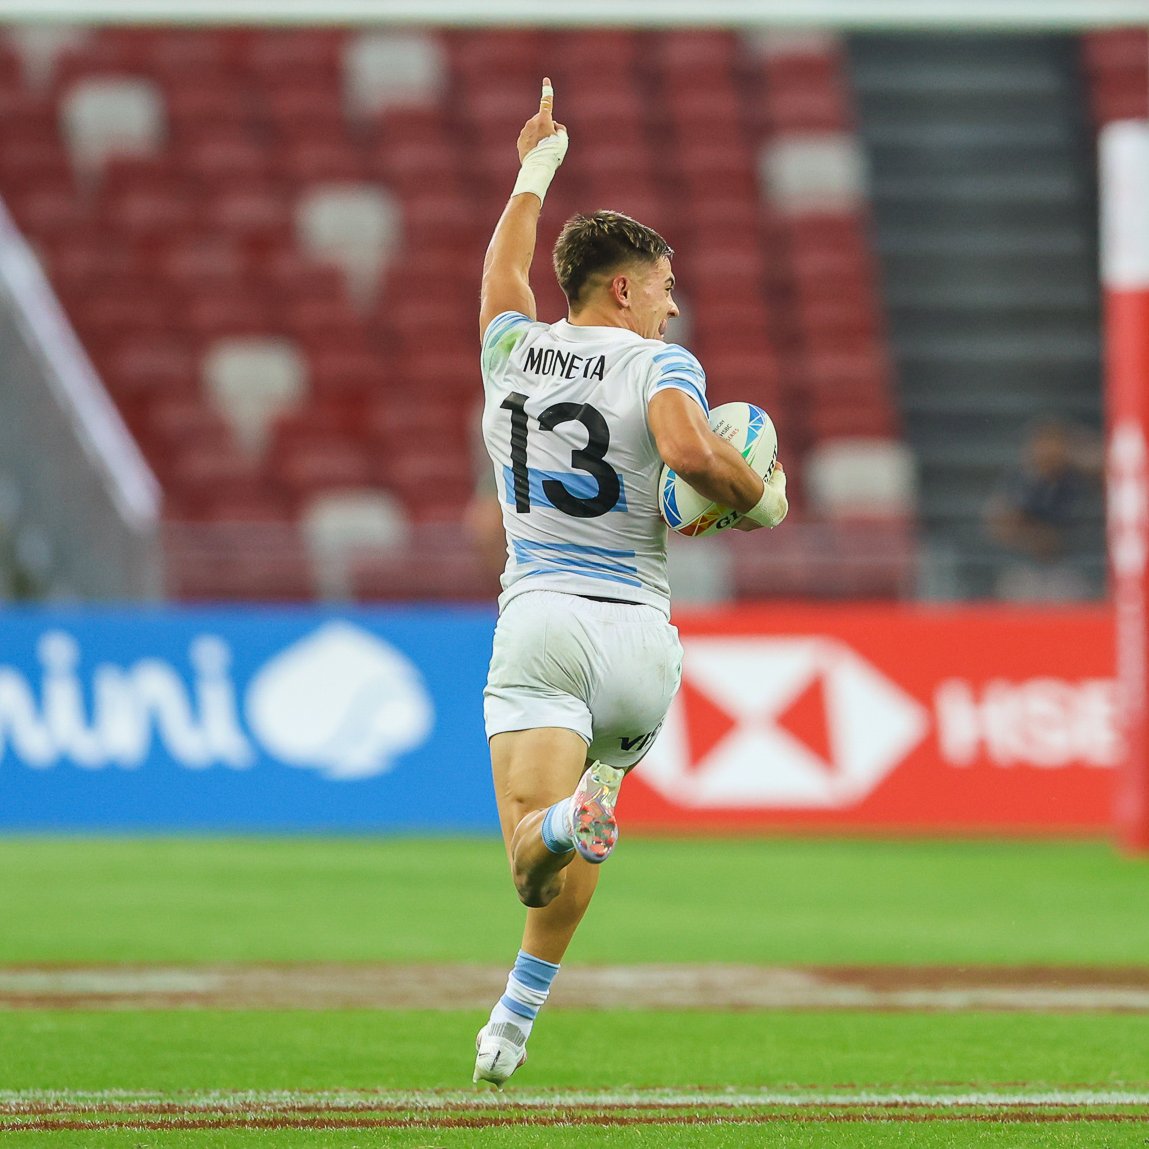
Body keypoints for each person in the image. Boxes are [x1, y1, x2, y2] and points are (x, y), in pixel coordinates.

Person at [473, 79, 789, 1087]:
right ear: (622, 292)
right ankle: (514, 1026)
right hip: (642, 650)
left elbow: (504, 269)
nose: (673, 301)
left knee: (533, 852)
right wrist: (758, 497)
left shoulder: (511, 350)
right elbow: (689, 455)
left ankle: (567, 819)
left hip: (543, 625)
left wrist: (535, 167)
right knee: (593, 807)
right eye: (663, 285)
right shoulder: (662, 366)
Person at [983, 418, 1096, 601]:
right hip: (1024, 566)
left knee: (1072, 592)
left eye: (1056, 443)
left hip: (1070, 567)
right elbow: (999, 526)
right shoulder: (1020, 480)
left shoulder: (1077, 480)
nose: (1049, 451)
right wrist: (1035, 536)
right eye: (1043, 443)